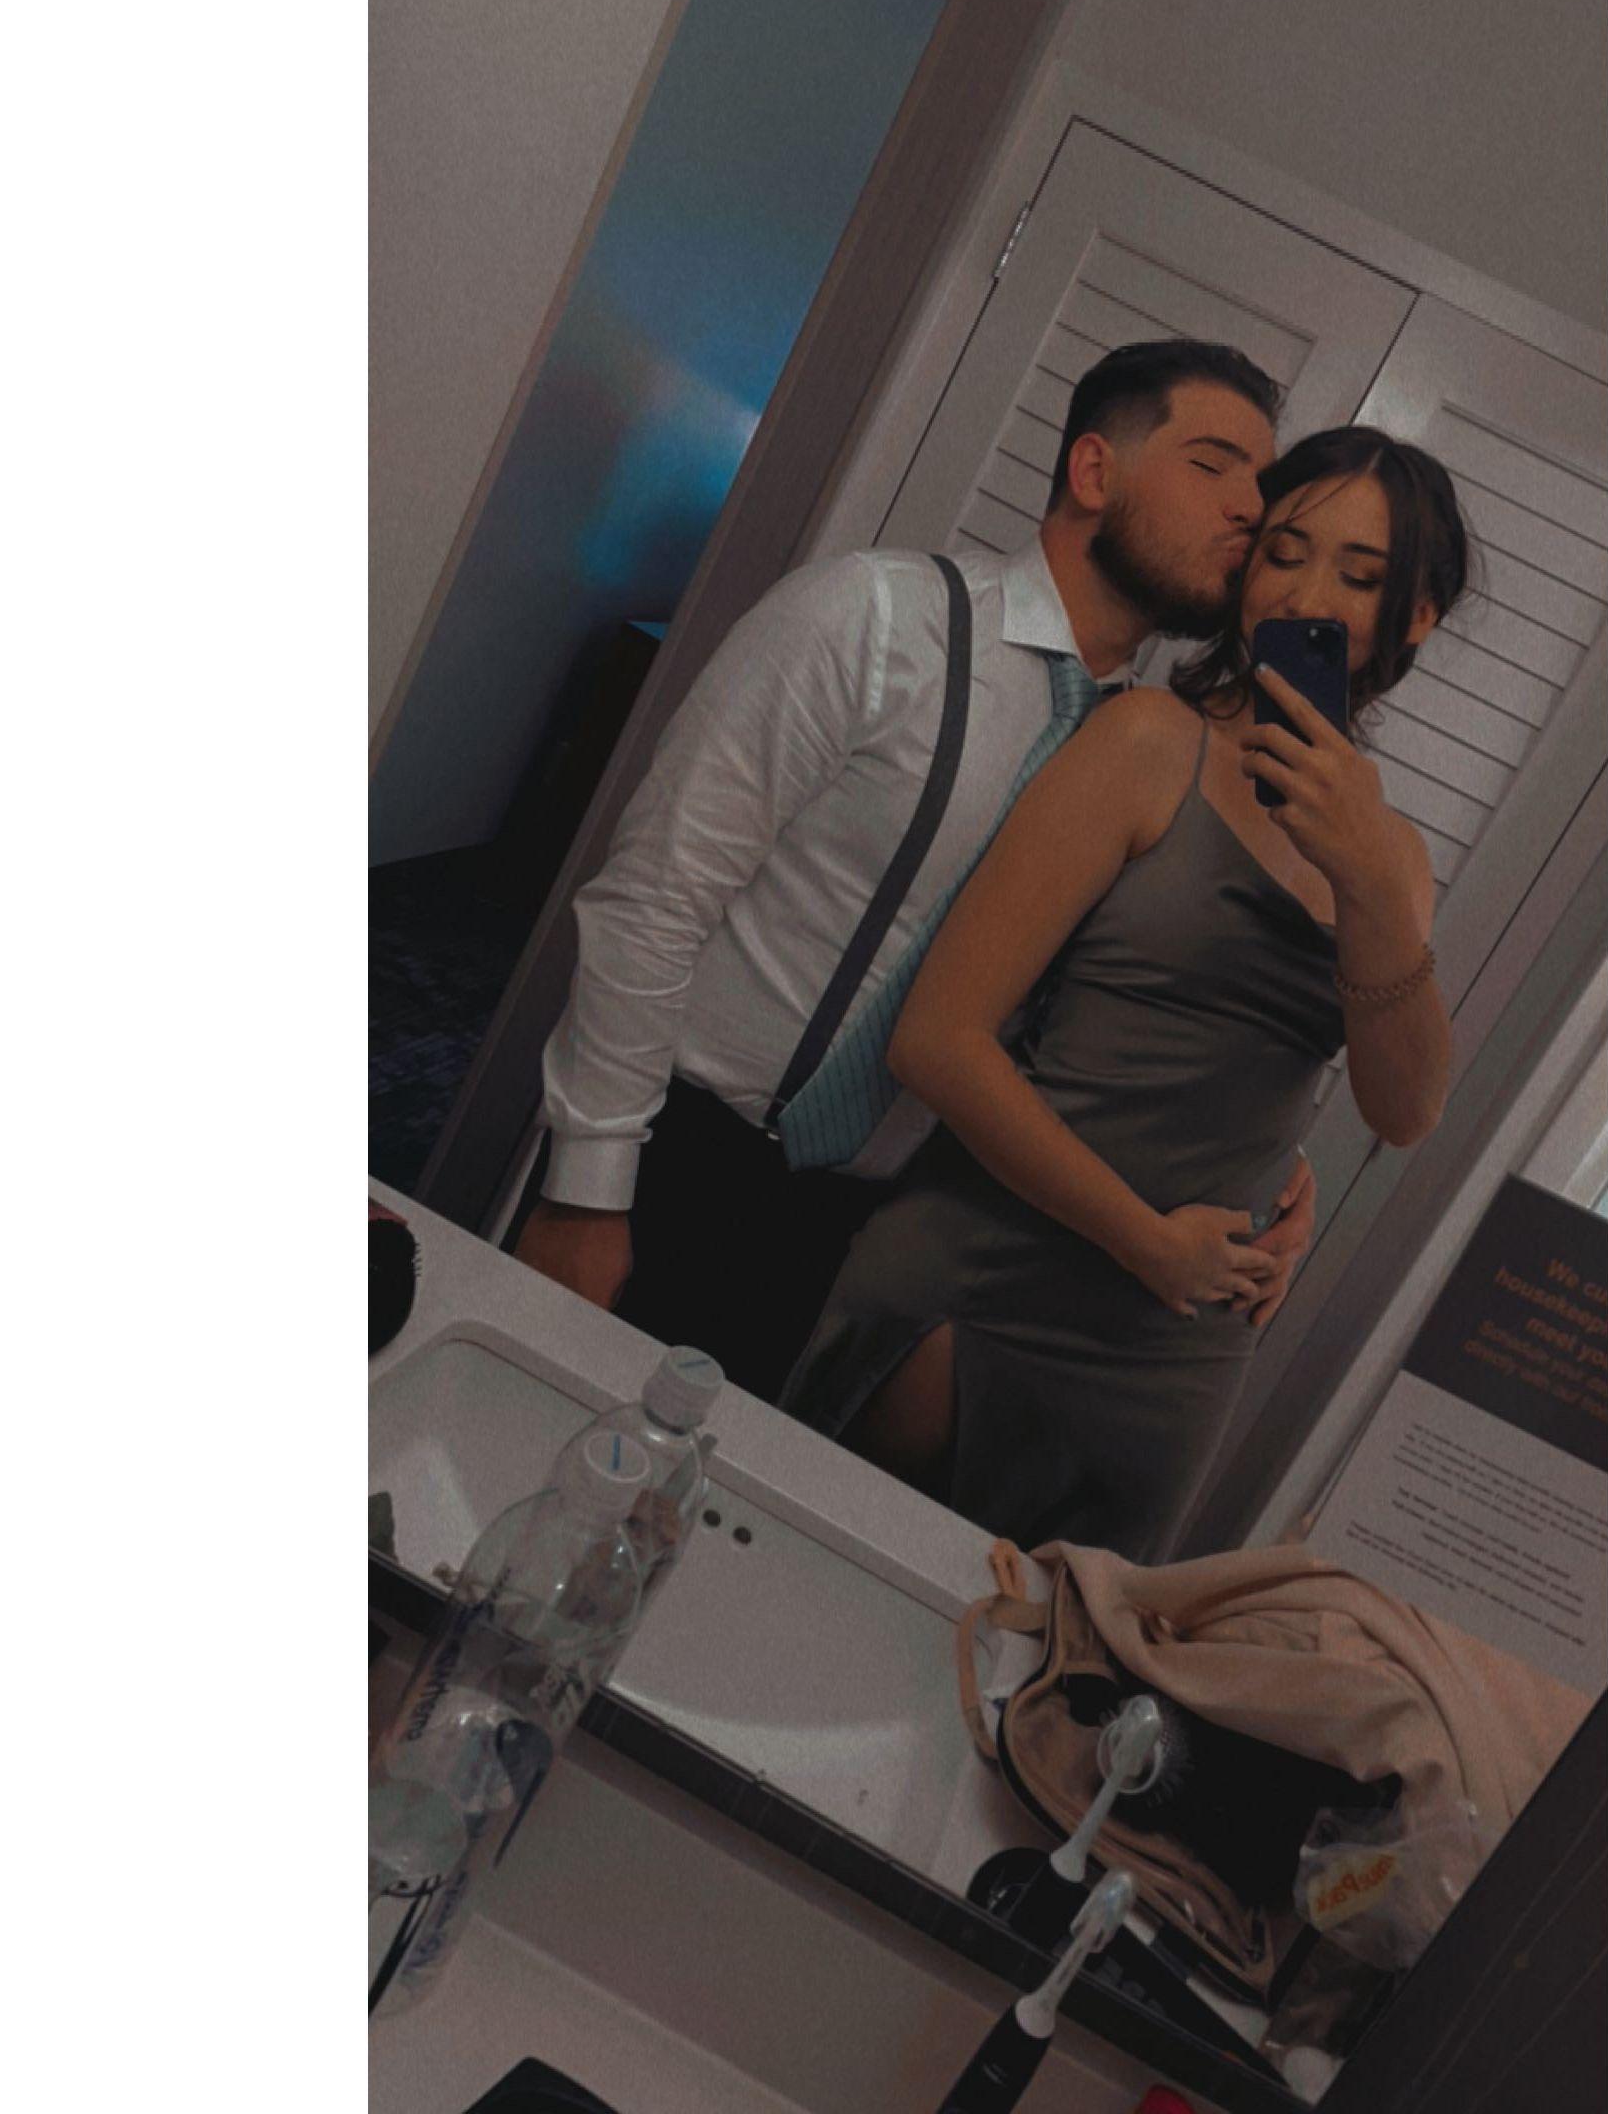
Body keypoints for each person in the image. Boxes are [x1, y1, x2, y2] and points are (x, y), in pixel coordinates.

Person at [514, 340, 1326, 1396]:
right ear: (1093, 471)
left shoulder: (1142, 766)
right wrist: (587, 1190)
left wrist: (1270, 1166)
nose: (1251, 510)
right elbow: (653, 898)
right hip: (668, 1149)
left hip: (855, 1234)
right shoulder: (872, 616)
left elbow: (1118, 1020)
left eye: (1262, 484)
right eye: (1214, 465)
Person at [778, 425, 1465, 1562]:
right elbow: (938, 1039)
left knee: (1049, 1654)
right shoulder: (1148, 742)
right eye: (1285, 552)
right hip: (995, 1267)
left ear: (1418, 616)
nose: (1308, 595)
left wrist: (1370, 882)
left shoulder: (1395, 860)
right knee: (813, 1580)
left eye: (1360, 576)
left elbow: (1407, 1111)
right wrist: (1144, 1240)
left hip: (1181, 1343)